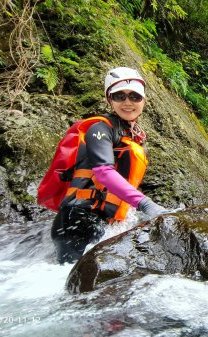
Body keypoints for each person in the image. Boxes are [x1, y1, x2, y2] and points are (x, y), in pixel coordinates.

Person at [51, 66, 166, 264]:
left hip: (101, 222)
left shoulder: (132, 135)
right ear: (109, 99)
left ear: (144, 100)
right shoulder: (100, 128)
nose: (128, 102)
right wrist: (146, 204)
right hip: (76, 220)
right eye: (119, 96)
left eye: (135, 97)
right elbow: (103, 172)